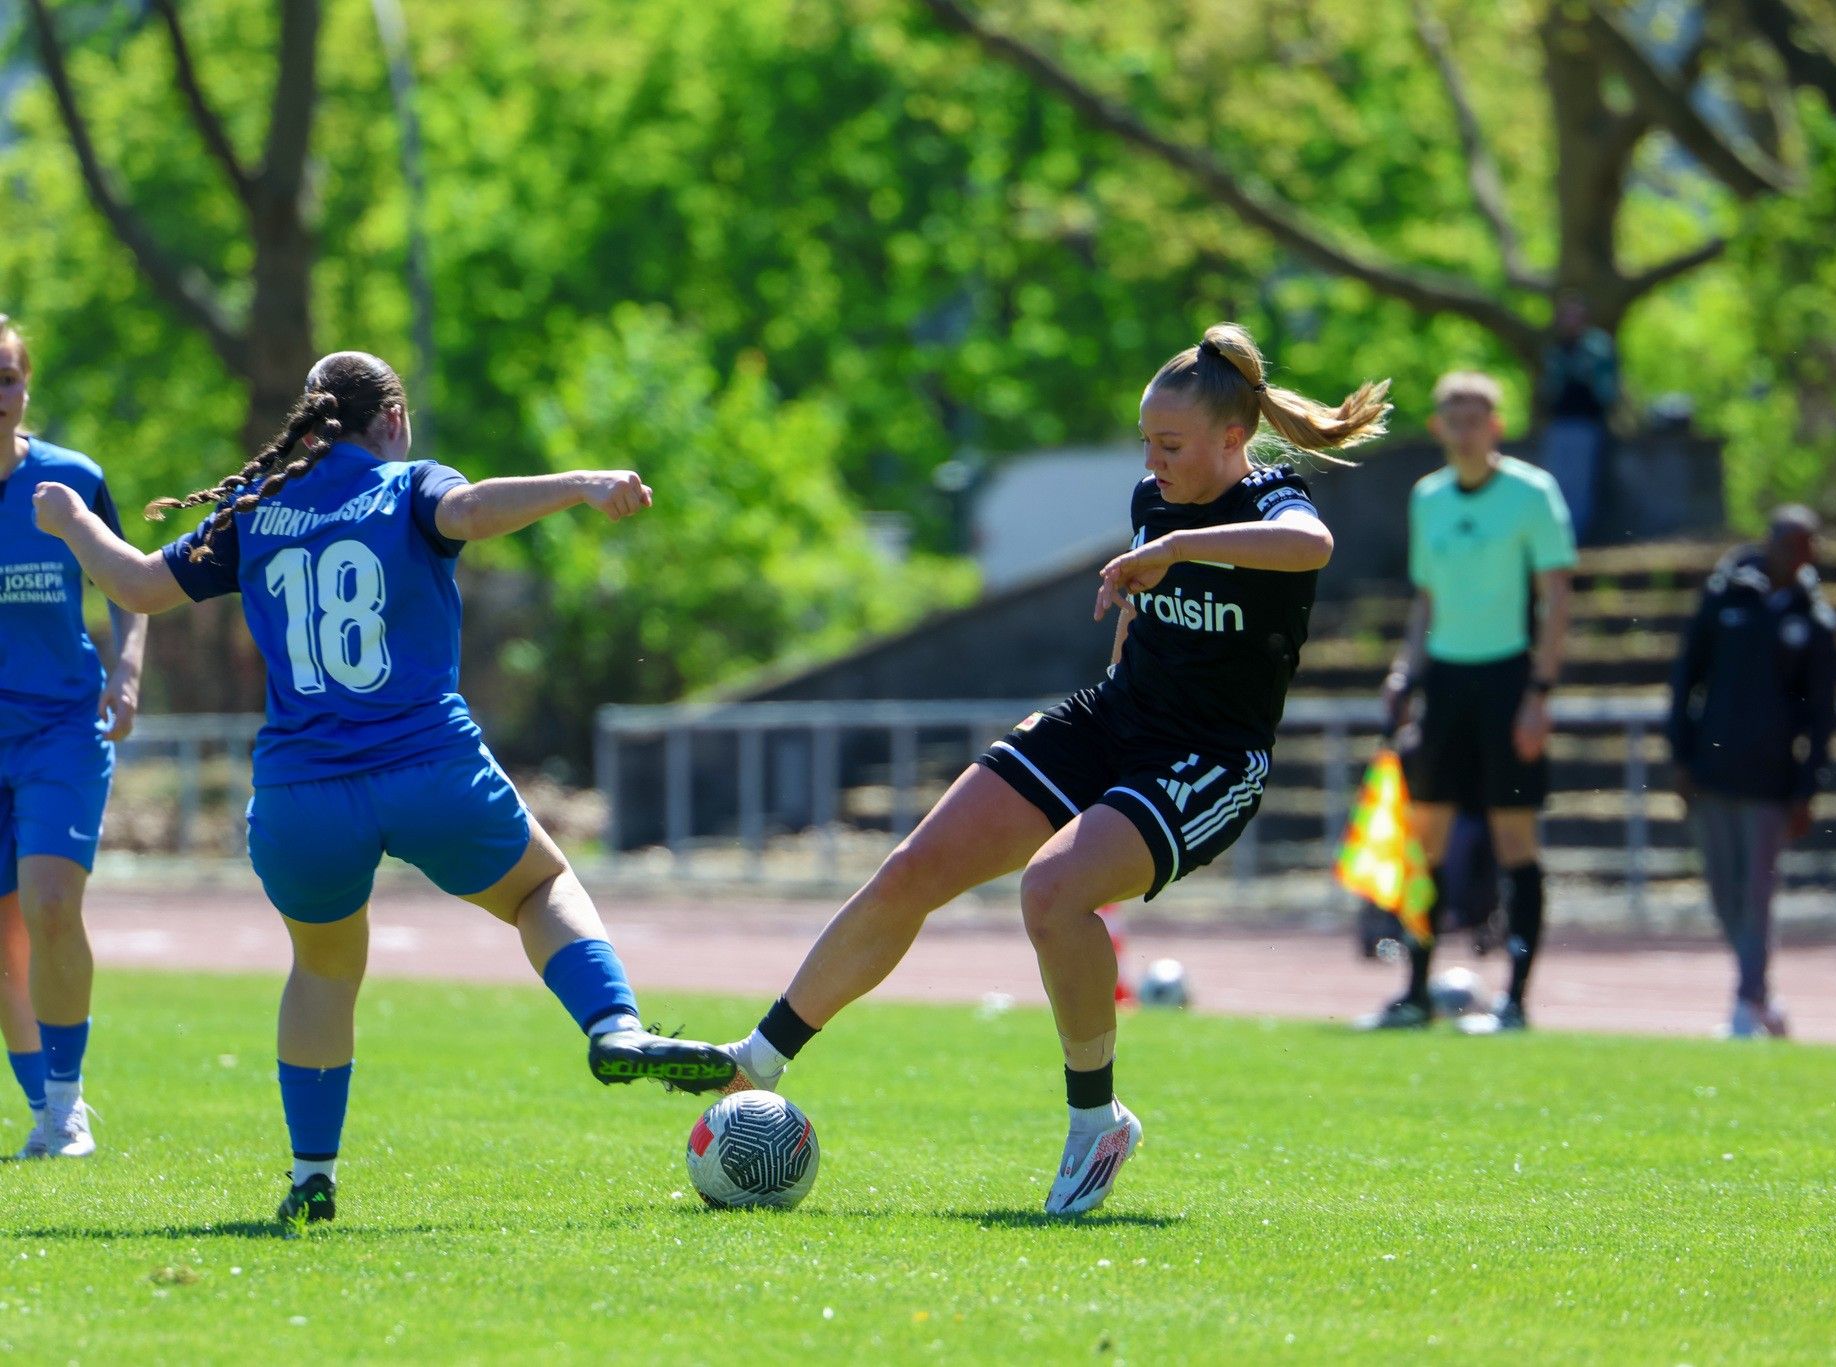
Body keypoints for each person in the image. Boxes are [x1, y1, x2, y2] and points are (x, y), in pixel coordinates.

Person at [687, 324, 1389, 1215]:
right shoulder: (1155, 498)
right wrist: (1139, 592)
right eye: (1147, 442)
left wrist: (1174, 552)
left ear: (1231, 439)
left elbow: (1310, 548)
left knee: (1052, 891)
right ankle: (760, 1055)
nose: (1154, 460)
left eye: (1171, 445)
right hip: (1114, 718)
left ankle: (1098, 1122)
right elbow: (1147, 610)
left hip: (1208, 759)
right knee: (914, 868)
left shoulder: (1276, 501)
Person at [30, 351, 734, 1226]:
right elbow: (472, 510)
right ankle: (613, 1025)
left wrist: (67, 521)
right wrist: (581, 483)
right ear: (391, 419)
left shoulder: (256, 511)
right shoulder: (404, 485)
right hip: (428, 770)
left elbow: (133, 580)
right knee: (542, 887)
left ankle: (311, 1174)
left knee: (324, 966)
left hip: (301, 799)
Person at [1367, 370, 1576, 1033]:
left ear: (1497, 424)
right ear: (1436, 427)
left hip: (1509, 680)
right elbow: (1425, 601)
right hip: (1446, 684)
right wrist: (1406, 671)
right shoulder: (1427, 498)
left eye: (1476, 413)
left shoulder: (1531, 494)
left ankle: (1515, 998)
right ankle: (1416, 990)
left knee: (1515, 838)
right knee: (1424, 839)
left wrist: (1539, 692)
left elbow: (1558, 599)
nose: (1463, 425)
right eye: (1451, 414)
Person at [0, 315, 147, 1161]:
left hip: (61, 727)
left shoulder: (70, 481)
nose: (0, 396)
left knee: (52, 903)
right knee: (4, 936)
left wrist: (127, 670)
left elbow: (130, 582)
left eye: (8, 378)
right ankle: (41, 1109)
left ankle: (67, 1106)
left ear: (27, 387)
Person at [1667, 506, 1836, 1039]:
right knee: (1724, 892)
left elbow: (1822, 714)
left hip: (1770, 783)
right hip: (1713, 774)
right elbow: (1685, 679)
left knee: (1757, 894)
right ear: (1770, 544)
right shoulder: (1724, 600)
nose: (1798, 556)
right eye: (1790, 544)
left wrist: (1807, 787)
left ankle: (1745, 1001)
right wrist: (1679, 754)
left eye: (1806, 547)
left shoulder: (1814, 621)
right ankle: (1762, 994)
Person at [1536, 293, 1618, 542]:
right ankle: (1556, 533)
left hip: (1586, 424)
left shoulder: (1597, 346)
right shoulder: (1555, 350)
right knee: (1556, 481)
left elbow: (1606, 386)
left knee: (1580, 485)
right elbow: (1547, 389)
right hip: (1559, 423)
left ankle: (1575, 538)